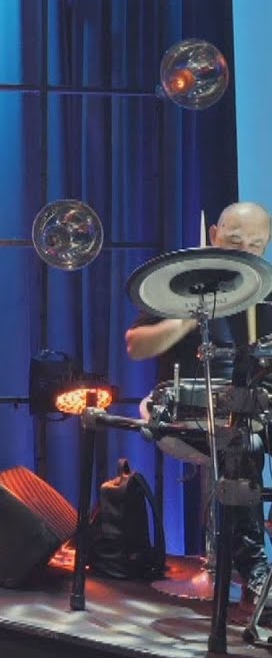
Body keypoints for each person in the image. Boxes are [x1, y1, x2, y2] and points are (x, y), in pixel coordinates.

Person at [124, 201, 272, 602]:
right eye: (235, 241)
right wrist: (189, 318)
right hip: (184, 415)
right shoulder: (183, 282)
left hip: (248, 410)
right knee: (244, 444)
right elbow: (136, 346)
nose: (246, 252)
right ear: (214, 236)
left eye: (257, 245)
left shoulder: (265, 292)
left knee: (247, 435)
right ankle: (255, 571)